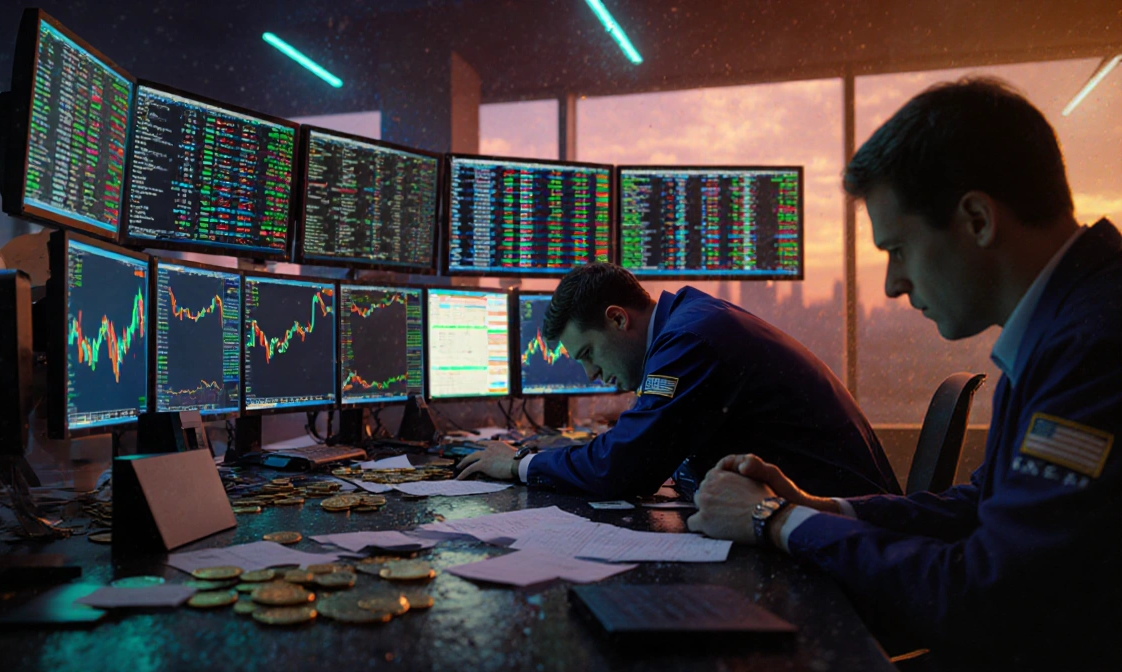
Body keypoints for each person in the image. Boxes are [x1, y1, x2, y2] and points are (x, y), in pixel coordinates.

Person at [685, 77, 1122, 670]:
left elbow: (988, 597)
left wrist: (773, 519)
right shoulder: (1070, 319)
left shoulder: (1095, 344)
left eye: (898, 249)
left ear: (976, 219)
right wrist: (819, 508)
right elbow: (982, 506)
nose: (892, 285)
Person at [456, 262, 900, 500]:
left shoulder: (689, 339)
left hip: (844, 538)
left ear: (617, 318)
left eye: (588, 354)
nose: (591, 375)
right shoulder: (690, 320)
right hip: (826, 516)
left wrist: (519, 464)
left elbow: (623, 468)